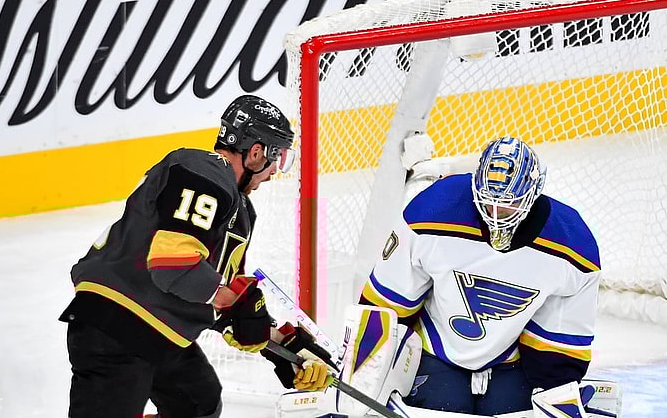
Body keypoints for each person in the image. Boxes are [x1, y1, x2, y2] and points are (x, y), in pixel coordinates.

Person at [59, 95, 332, 418]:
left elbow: (222, 299)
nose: (276, 171)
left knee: (197, 404)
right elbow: (174, 266)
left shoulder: (240, 212)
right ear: (257, 153)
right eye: (279, 158)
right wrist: (233, 302)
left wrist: (285, 346)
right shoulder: (200, 170)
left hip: (159, 335)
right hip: (115, 326)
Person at [359, 136, 601, 415]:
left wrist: (557, 389)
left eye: (509, 204)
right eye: (488, 204)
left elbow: (559, 342)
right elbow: (387, 303)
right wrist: (367, 374)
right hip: (434, 351)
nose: (496, 215)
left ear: (533, 195)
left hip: (511, 361)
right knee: (444, 403)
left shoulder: (572, 246)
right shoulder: (431, 212)